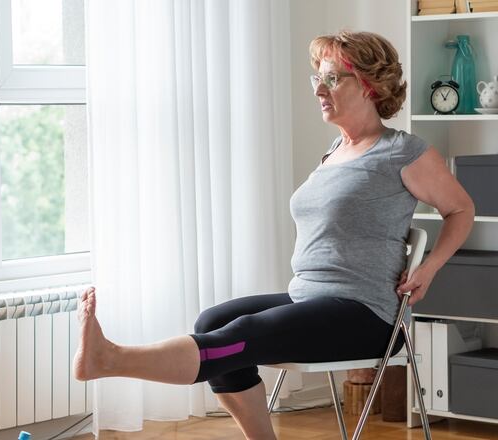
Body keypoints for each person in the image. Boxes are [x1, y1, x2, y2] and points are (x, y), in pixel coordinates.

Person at [73, 30, 475, 440]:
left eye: (333, 78)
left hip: (366, 315)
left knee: (240, 336)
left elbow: (461, 209)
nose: (319, 88)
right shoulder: (336, 149)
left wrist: (429, 268)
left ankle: (111, 359)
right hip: (310, 298)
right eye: (317, 77)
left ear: (371, 84)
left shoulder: (401, 152)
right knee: (214, 320)